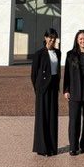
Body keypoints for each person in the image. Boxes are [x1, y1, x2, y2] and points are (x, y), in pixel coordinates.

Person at [31, 28, 61, 156]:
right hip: (43, 88)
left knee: (52, 116)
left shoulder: (58, 53)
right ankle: (42, 148)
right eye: (50, 37)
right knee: (42, 117)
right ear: (45, 38)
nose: (52, 39)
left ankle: (52, 147)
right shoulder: (39, 54)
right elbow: (33, 74)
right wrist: (38, 89)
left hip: (54, 86)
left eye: (54, 37)